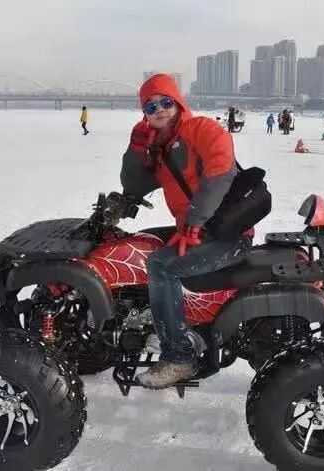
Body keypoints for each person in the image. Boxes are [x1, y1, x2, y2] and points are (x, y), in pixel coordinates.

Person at [120, 74, 251, 389]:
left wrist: (194, 221)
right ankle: (154, 317)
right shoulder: (159, 147)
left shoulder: (201, 129)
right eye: (150, 107)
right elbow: (134, 185)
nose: (160, 110)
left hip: (228, 234)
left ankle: (179, 356)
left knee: (161, 266)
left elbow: (221, 171)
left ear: (178, 102)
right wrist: (136, 149)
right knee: (143, 242)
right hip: (195, 228)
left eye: (166, 102)